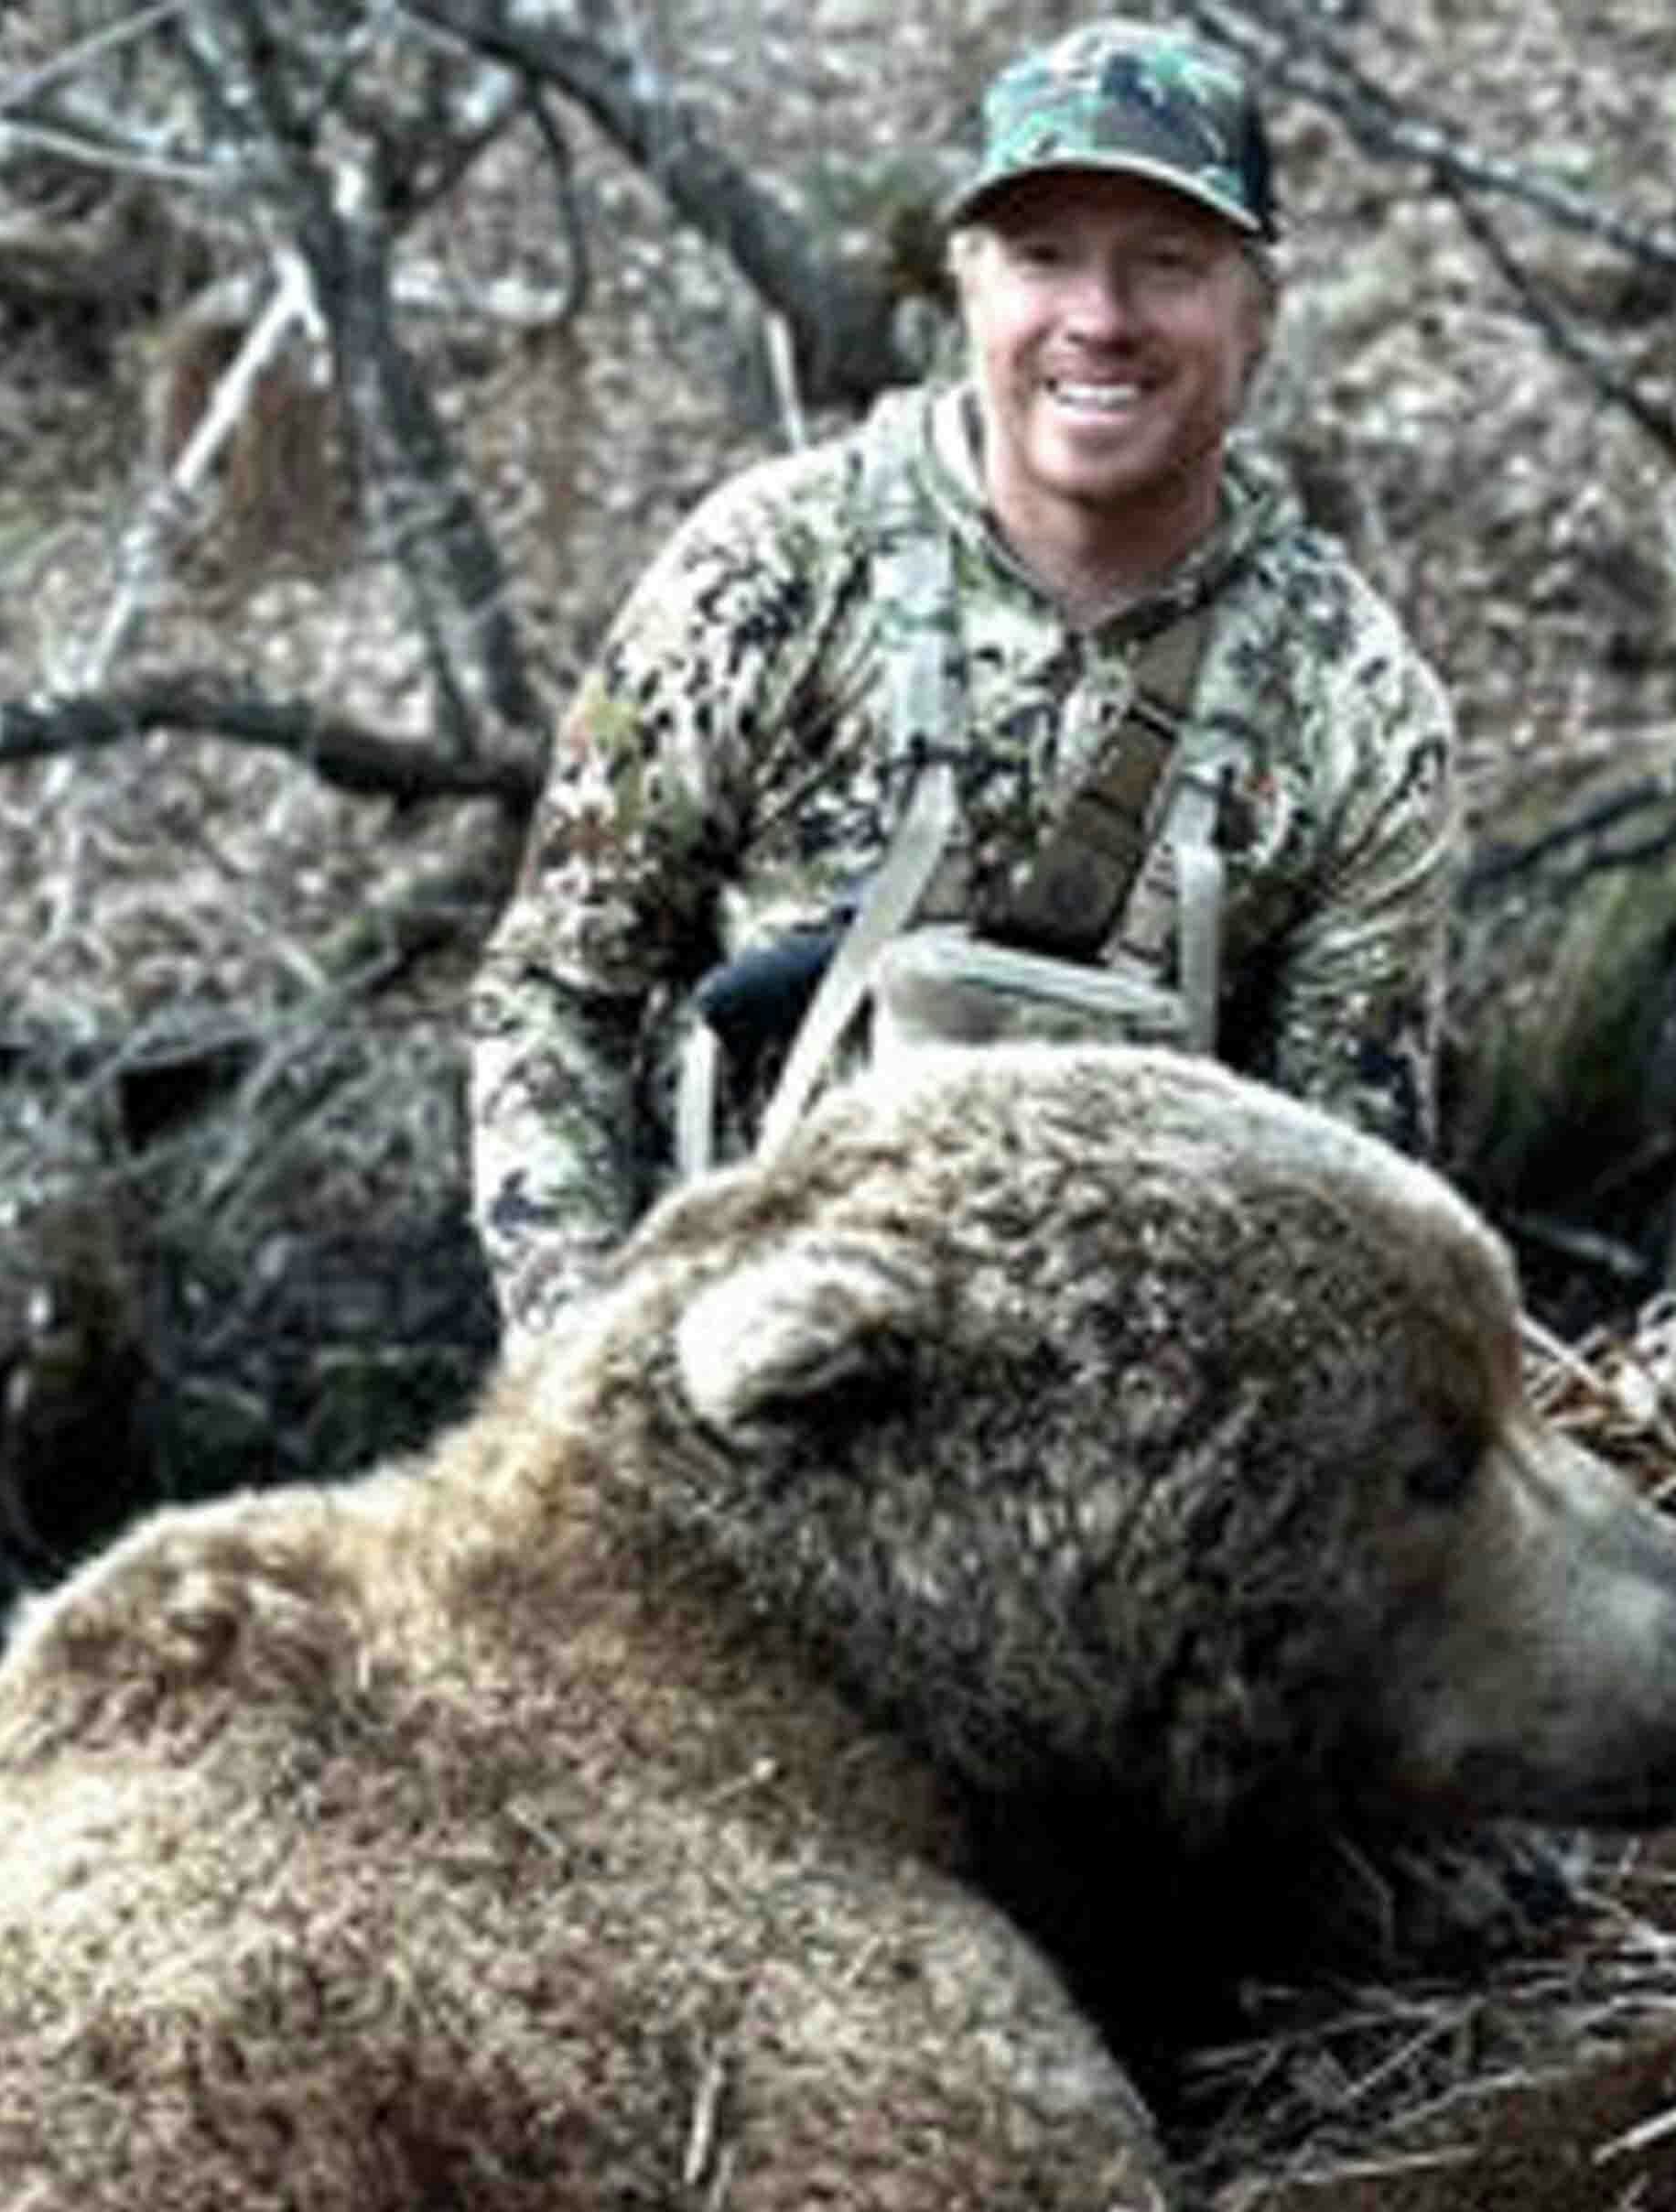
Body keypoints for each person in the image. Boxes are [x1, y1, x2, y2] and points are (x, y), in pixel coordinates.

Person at [465, 17, 1458, 1331]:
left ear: (1256, 313)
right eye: (1045, 259)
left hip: (1134, 1444)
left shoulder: (1358, 712)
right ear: (969, 289)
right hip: (736, 1396)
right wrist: (578, 1366)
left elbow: (1358, 1226)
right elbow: (555, 998)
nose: (1099, 321)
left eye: (1166, 266)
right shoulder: (768, 576)